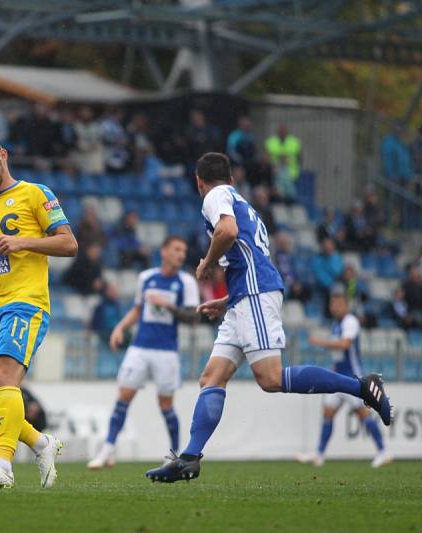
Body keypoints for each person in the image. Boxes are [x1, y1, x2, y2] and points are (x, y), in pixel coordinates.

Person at [145, 153, 393, 484]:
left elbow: (228, 231)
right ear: (232, 180)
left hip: (254, 294)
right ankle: (189, 457)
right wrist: (229, 298)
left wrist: (205, 264)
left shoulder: (215, 196)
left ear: (198, 182)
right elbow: (248, 252)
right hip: (243, 296)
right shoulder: (238, 198)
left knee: (270, 378)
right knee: (211, 377)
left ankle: (362, 387)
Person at [0, 136, 77, 489]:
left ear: (2, 156)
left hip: (26, 302)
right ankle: (41, 443)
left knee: (4, 379)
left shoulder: (35, 193)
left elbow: (69, 243)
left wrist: (23, 241)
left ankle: (2, 465)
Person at [88, 236, 199, 469]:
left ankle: (173, 453)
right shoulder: (146, 278)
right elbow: (138, 310)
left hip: (166, 351)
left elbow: (192, 318)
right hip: (140, 347)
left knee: (166, 404)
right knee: (123, 397)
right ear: (164, 251)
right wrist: (119, 328)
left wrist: (166, 304)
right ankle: (107, 450)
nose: (181, 254)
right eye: (177, 249)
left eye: (184, 250)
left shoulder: (186, 282)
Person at [297, 290, 392, 468]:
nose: (335, 307)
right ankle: (319, 454)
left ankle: (383, 451)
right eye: (333, 304)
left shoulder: (350, 321)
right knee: (328, 413)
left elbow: (345, 344)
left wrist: (320, 342)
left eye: (338, 304)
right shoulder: (336, 323)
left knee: (362, 413)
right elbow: (339, 354)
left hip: (352, 378)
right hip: (337, 376)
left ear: (346, 306)